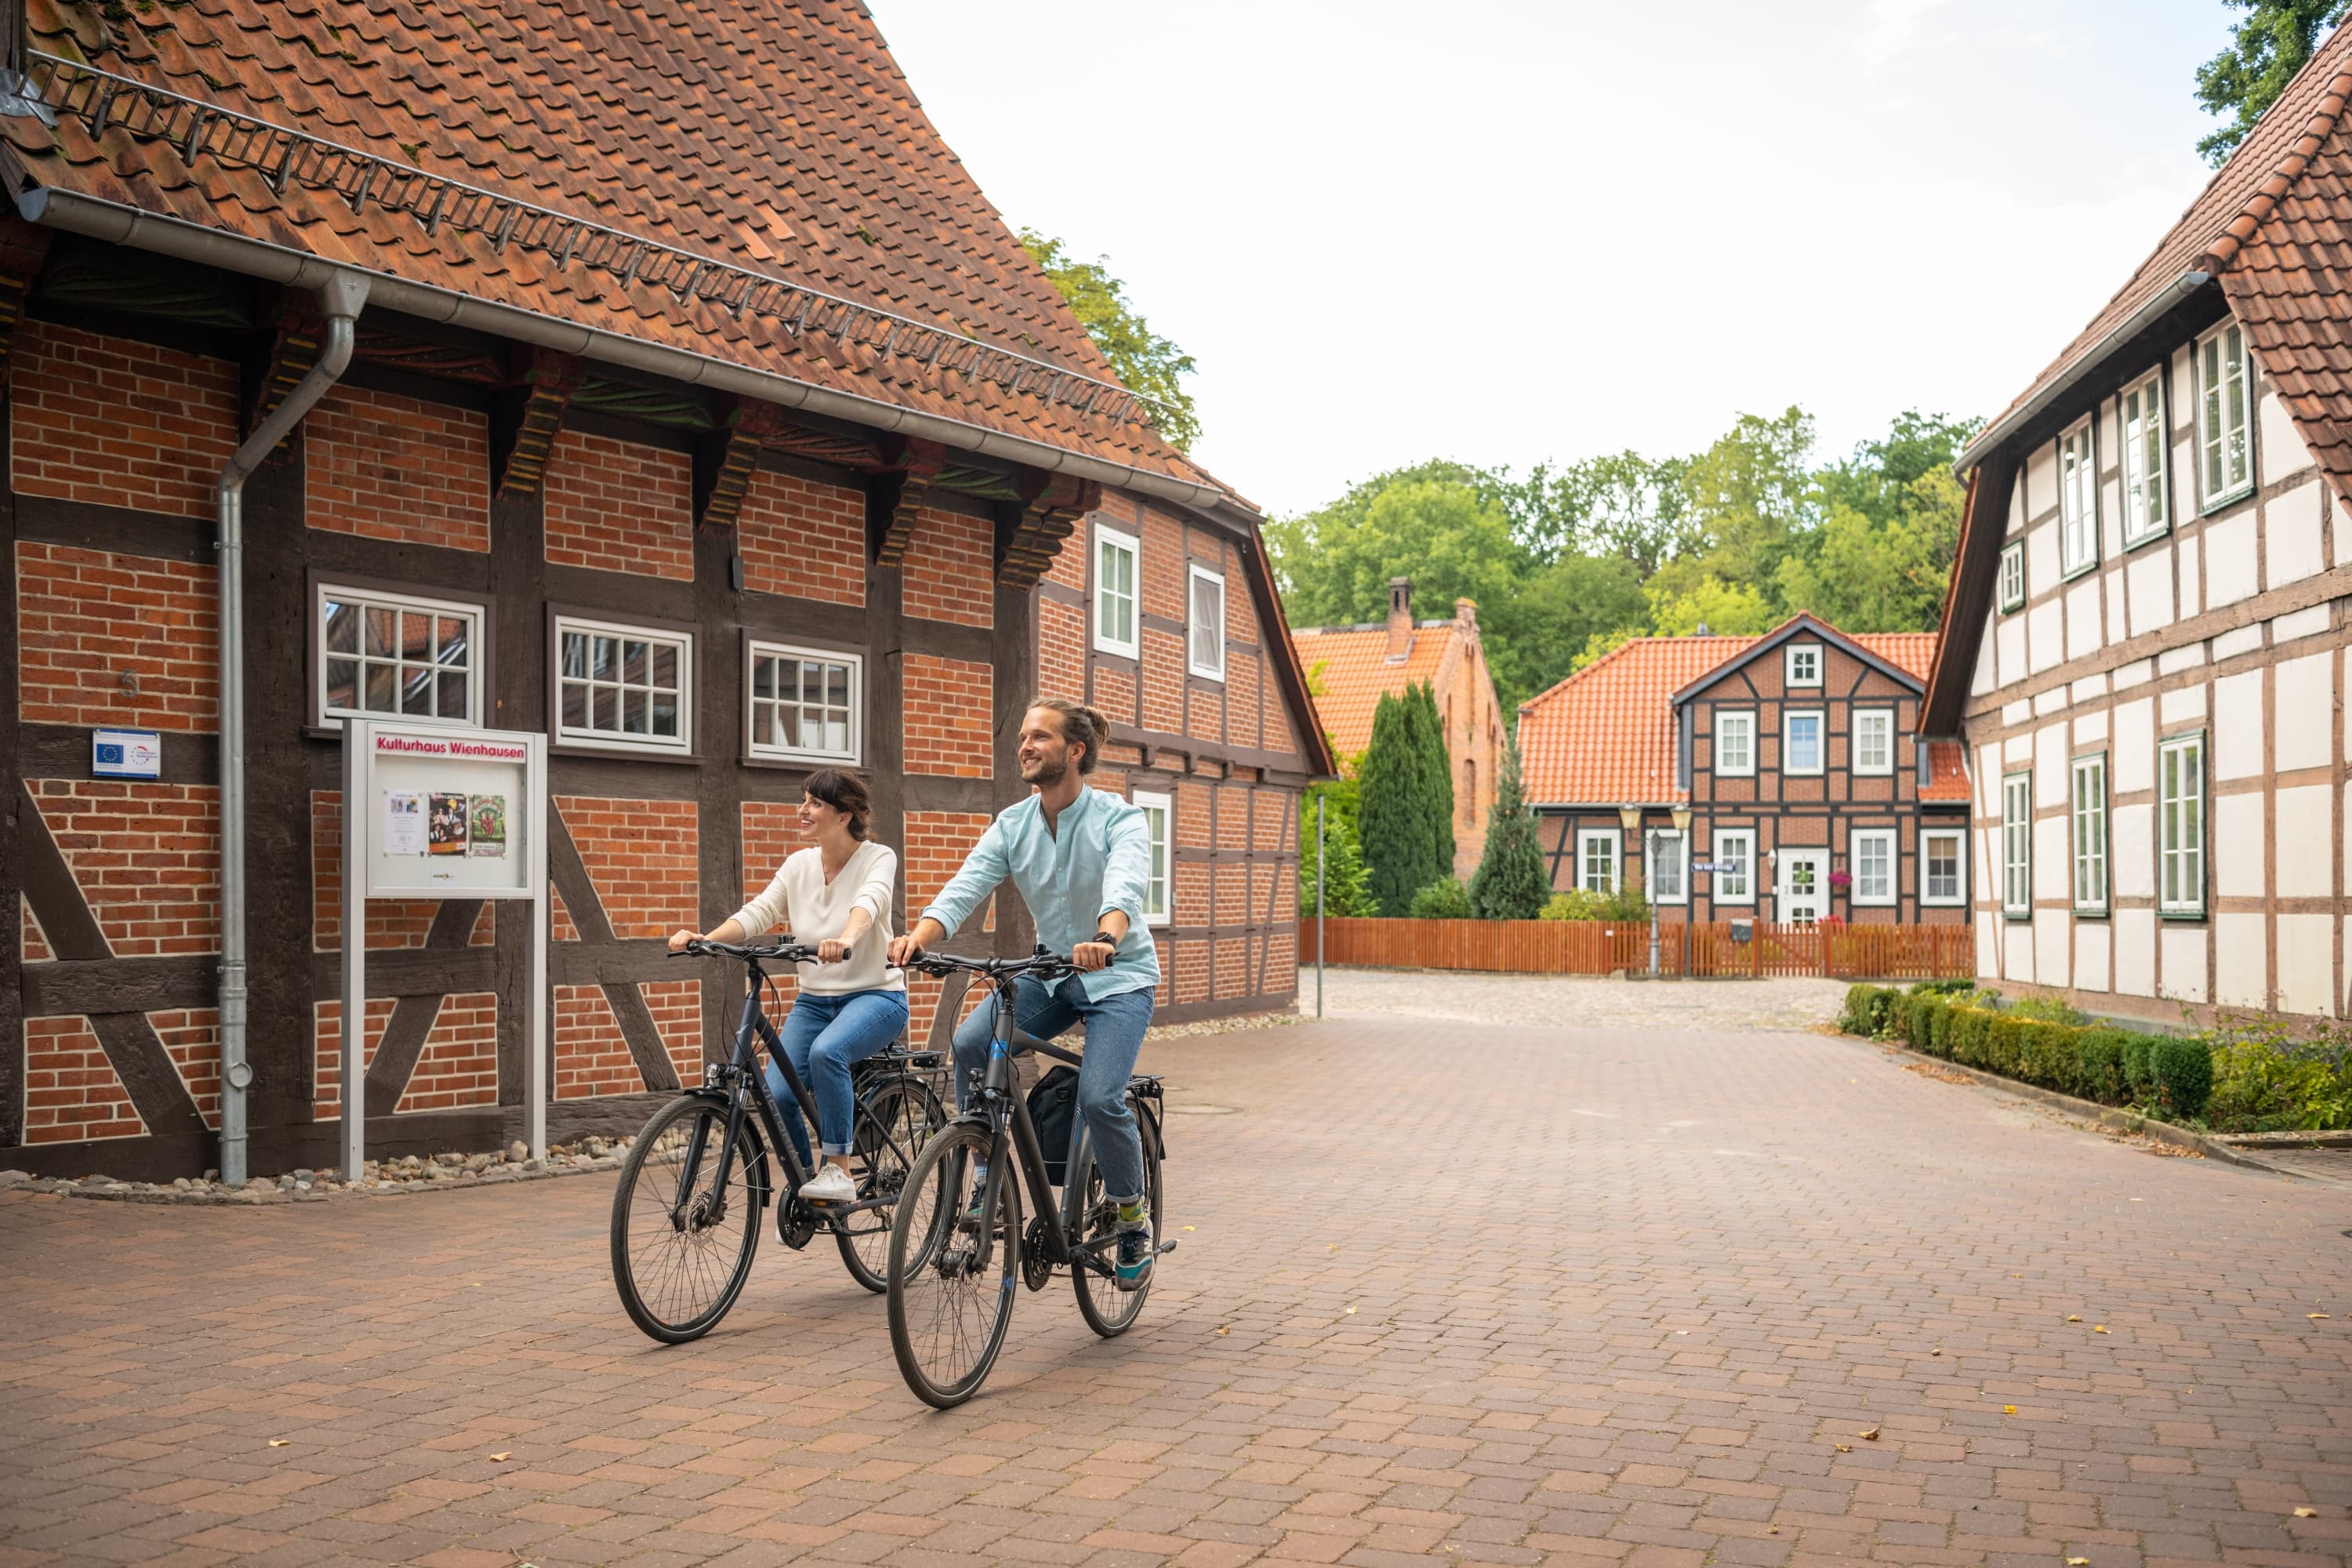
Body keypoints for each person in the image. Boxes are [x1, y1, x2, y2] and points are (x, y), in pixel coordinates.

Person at [887, 698, 1160, 1290]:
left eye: (1040, 736)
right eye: (1023, 736)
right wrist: (921, 937)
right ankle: (986, 1168)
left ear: (1075, 750)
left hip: (1119, 974)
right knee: (969, 1043)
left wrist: (1105, 936)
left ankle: (1131, 1215)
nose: (1026, 746)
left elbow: (1127, 883)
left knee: (1099, 1095)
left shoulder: (1119, 818)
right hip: (1051, 972)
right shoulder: (1014, 824)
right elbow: (967, 885)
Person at [669, 770, 906, 1206]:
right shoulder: (800, 865)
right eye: (805, 800)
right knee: (777, 1094)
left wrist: (848, 940)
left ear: (843, 816)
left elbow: (868, 903)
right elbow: (760, 911)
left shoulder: (878, 857)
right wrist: (707, 938)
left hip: (876, 996)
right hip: (815, 1002)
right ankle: (804, 1188)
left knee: (826, 1053)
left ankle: (838, 1169)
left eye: (815, 803)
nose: (803, 810)